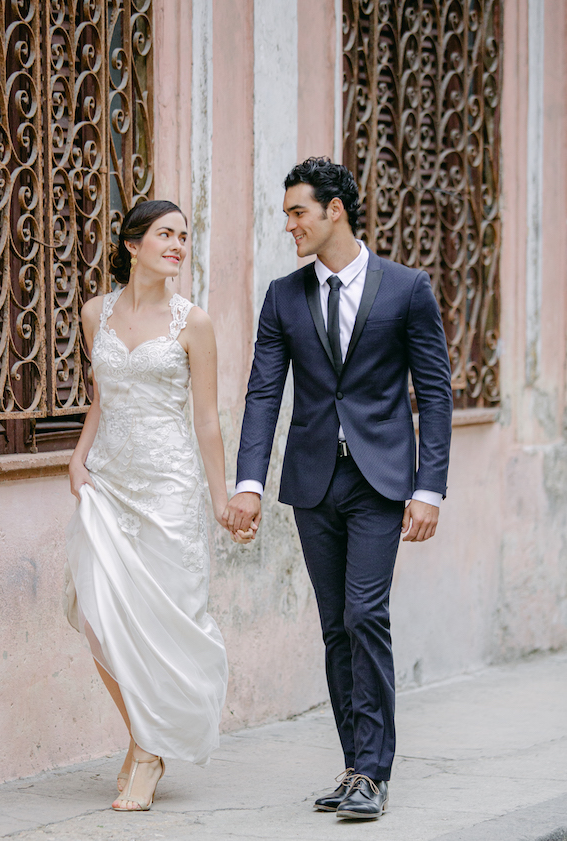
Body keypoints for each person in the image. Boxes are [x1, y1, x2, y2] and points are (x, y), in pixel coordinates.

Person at [223, 157, 453, 820]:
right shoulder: (283, 297)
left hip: (381, 480)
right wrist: (249, 483)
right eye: (287, 212)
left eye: (298, 211)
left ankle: (375, 770)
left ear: (335, 212)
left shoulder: (406, 289)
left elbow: (433, 391)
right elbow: (265, 392)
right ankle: (358, 765)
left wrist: (429, 487)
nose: (289, 224)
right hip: (314, 480)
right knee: (333, 627)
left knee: (364, 613)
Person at [65, 200, 244, 812]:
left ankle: (148, 750)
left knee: (165, 622)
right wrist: (77, 457)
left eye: (184, 236)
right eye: (165, 234)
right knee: (98, 616)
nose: (177, 245)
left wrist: (222, 498)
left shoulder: (193, 322)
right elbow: (101, 396)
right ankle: (145, 739)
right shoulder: (96, 312)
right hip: (109, 483)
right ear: (133, 244)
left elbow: (207, 420)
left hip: (168, 488)